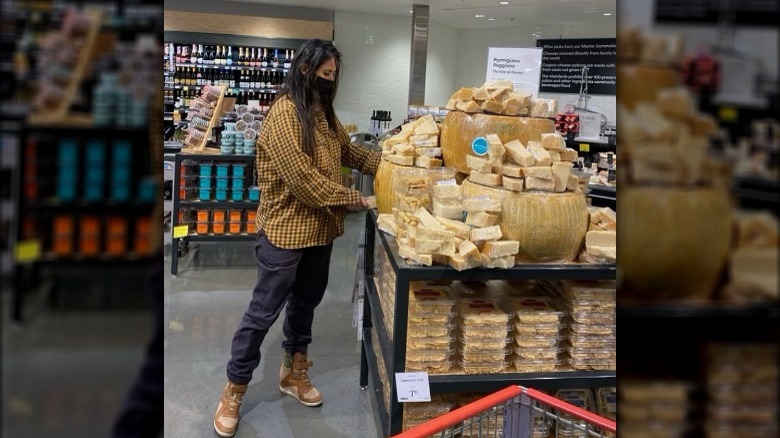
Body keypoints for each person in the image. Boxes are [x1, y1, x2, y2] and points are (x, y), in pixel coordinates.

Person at [213, 39, 382, 438]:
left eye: (334, 76)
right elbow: (305, 183)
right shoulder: (285, 115)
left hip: (320, 232)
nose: (331, 82)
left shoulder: (321, 111)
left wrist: (396, 163)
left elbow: (351, 152)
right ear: (305, 70)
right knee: (263, 312)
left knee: (305, 303)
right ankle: (234, 389)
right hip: (286, 232)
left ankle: (293, 371)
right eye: (325, 75)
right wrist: (356, 198)